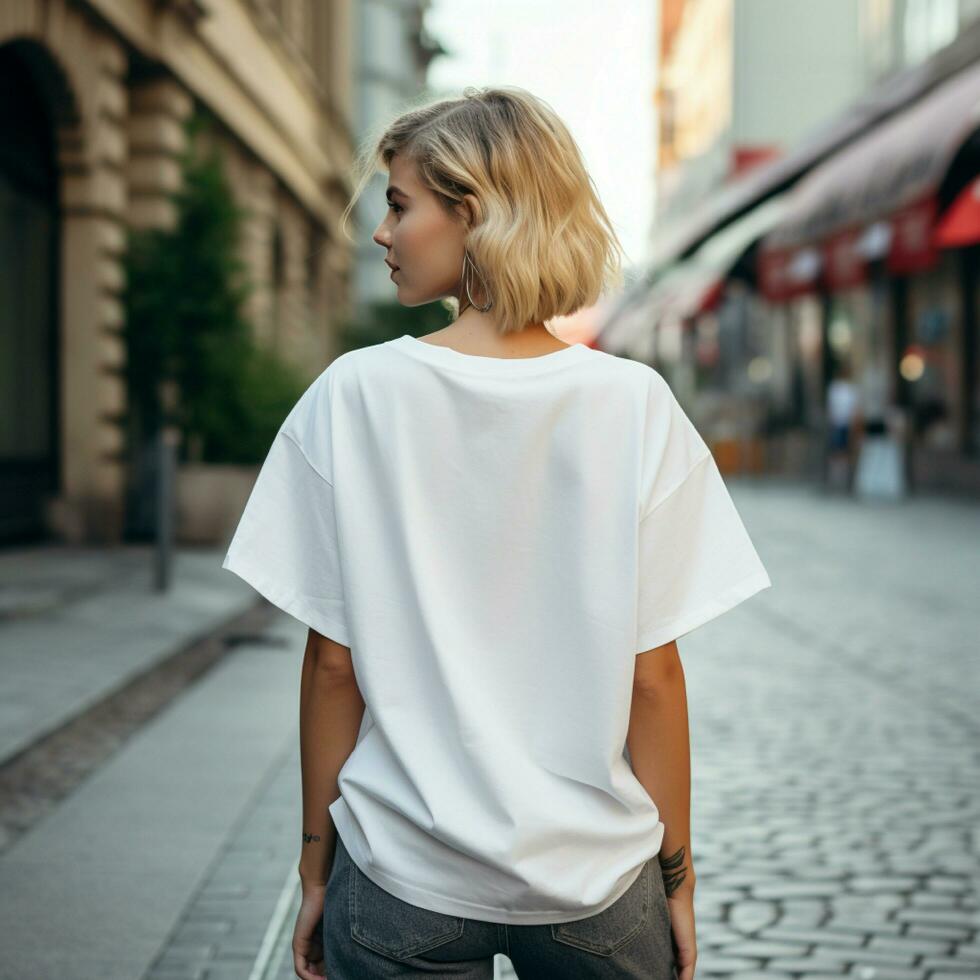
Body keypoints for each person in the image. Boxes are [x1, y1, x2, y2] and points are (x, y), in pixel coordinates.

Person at [222, 86, 771, 980]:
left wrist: (315, 866)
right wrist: (678, 876)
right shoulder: (633, 405)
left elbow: (333, 664)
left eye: (399, 205)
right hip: (594, 882)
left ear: (471, 212)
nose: (381, 231)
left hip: (403, 876)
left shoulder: (352, 396)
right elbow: (655, 678)